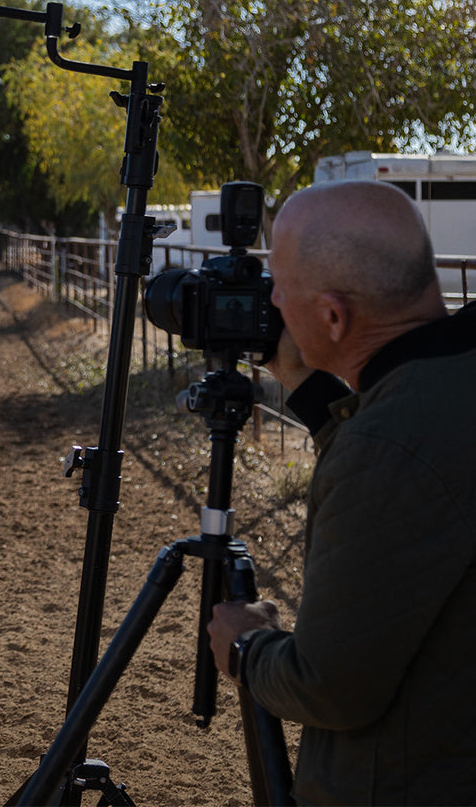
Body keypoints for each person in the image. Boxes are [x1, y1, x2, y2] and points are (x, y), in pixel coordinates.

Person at [207, 180, 476, 805]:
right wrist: (304, 385)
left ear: (332, 316)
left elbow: (330, 687)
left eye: (280, 287)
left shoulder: (387, 449)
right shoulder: (447, 380)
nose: (271, 301)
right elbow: (412, 475)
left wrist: (247, 648)